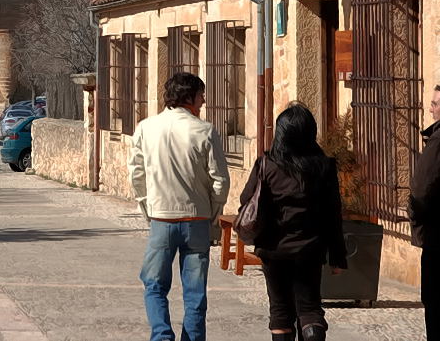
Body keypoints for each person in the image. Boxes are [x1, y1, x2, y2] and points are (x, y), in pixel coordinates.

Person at [128, 72, 229, 341]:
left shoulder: (146, 128)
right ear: (189, 97)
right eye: (200, 95)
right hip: (196, 218)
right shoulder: (204, 130)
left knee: (154, 284)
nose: (204, 100)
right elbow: (220, 179)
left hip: (162, 217)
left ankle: (161, 335)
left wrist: (146, 207)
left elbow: (136, 174)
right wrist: (214, 213)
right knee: (195, 291)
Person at [241, 103, 346, 341]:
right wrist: (337, 257)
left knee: (280, 311)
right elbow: (333, 214)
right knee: (309, 308)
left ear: (281, 134)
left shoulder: (266, 165)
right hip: (311, 248)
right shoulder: (324, 166)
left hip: (273, 248)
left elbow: (246, 200)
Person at [410, 85, 440, 339]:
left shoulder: (439, 141)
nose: (430, 108)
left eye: (435, 103)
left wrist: (419, 227)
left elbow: (420, 190)